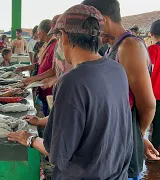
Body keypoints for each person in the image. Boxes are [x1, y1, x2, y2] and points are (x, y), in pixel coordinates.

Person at [8, 5, 133, 179]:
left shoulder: (71, 81)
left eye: (58, 36)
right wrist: (41, 121)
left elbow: (57, 152)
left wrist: (29, 139)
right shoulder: (116, 70)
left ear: (65, 37)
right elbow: (93, 118)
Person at [82, 0, 160, 179]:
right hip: (119, 139)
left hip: (126, 146)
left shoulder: (129, 46)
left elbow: (148, 104)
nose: (89, 32)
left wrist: (137, 136)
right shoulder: (112, 47)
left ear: (104, 20)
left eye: (91, 25)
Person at [16, 19, 58, 116]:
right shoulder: (47, 45)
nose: (37, 36)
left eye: (38, 33)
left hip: (50, 90)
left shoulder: (55, 45)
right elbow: (39, 64)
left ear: (42, 32)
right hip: (43, 88)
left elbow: (53, 71)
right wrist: (23, 69)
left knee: (49, 114)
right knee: (45, 110)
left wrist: (33, 78)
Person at [148, 19, 160, 154]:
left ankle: (152, 152)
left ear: (151, 34)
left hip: (153, 95)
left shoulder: (153, 50)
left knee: (152, 125)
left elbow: (146, 70)